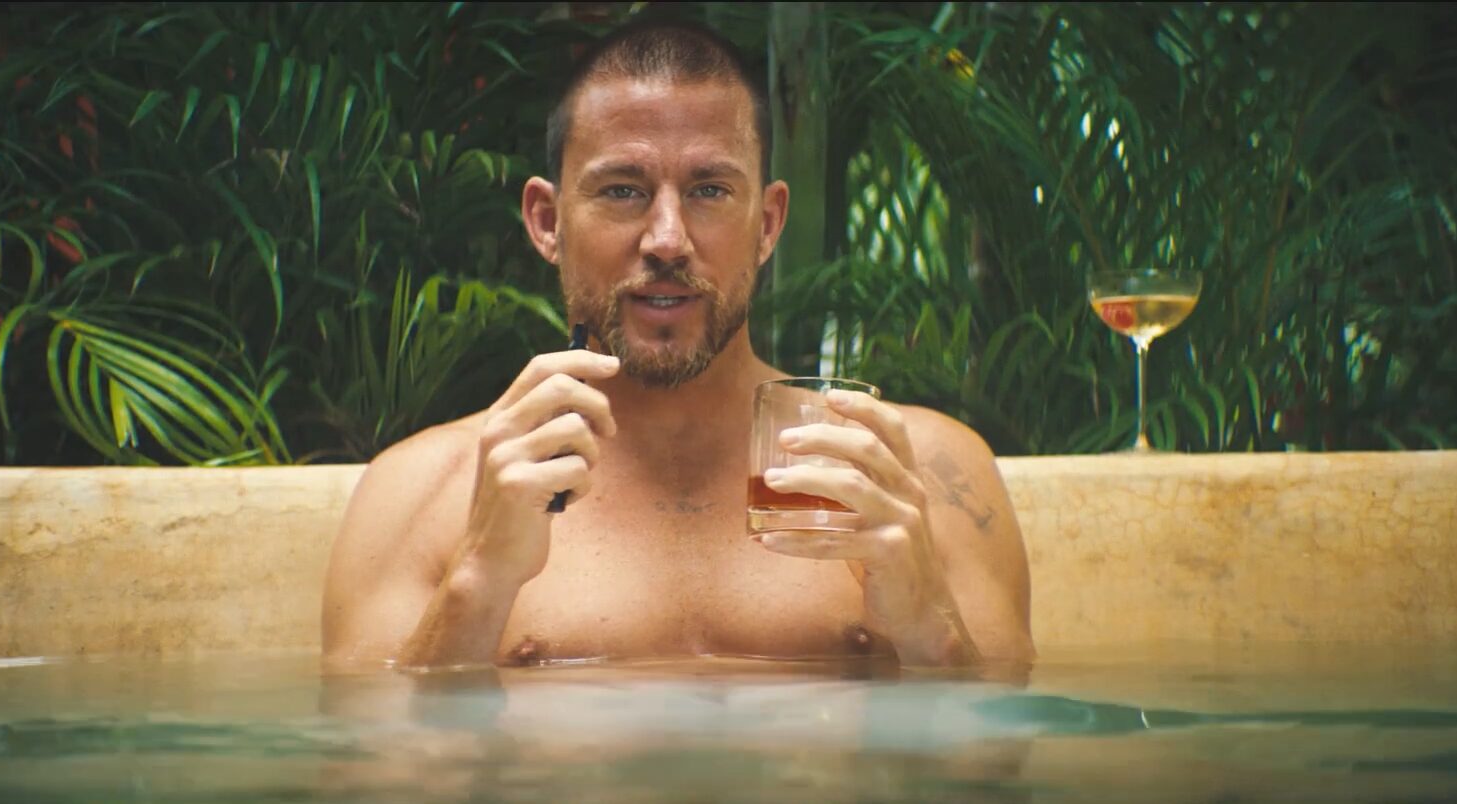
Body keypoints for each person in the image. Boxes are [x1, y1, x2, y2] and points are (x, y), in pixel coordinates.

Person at [321, 16, 1032, 672]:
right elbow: (367, 754)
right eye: (623, 190)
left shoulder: (916, 479)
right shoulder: (420, 494)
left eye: (710, 190)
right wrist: (477, 579)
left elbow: (1007, 753)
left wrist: (930, 628)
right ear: (546, 221)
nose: (667, 240)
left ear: (768, 223)